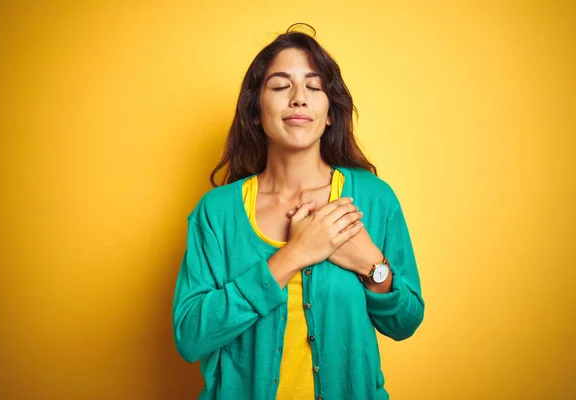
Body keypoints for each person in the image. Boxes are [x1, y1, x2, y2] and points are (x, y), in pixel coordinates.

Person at [172, 23, 425, 400]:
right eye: (279, 86)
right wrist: (294, 255)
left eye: (314, 86)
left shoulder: (374, 198)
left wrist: (372, 263)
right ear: (255, 111)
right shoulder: (216, 212)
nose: (298, 98)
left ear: (329, 114)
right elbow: (191, 337)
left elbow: (405, 322)